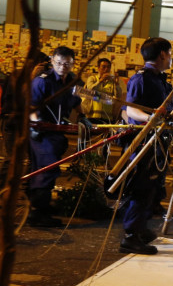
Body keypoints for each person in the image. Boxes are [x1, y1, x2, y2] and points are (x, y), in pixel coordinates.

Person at [119, 37, 173, 255]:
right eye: (169, 54)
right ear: (162, 54)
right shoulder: (140, 79)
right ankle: (130, 236)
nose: (170, 58)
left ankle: (140, 228)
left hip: (158, 142)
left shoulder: (161, 80)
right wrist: (149, 118)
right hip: (143, 141)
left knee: (152, 187)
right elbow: (130, 110)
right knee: (140, 187)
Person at [28, 46, 92, 227]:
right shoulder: (43, 81)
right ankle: (37, 213)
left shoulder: (73, 82)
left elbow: (77, 101)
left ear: (72, 64)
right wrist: (35, 124)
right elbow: (32, 105)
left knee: (49, 166)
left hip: (57, 132)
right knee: (46, 168)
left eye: (67, 64)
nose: (62, 67)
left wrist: (82, 116)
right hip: (42, 131)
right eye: (59, 63)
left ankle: (41, 206)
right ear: (52, 61)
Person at [82, 57, 123, 123]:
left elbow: (119, 95)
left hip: (107, 117)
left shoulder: (112, 82)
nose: (106, 69)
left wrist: (117, 83)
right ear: (98, 68)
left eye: (108, 67)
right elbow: (90, 90)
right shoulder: (92, 79)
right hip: (92, 116)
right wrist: (100, 81)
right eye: (103, 67)